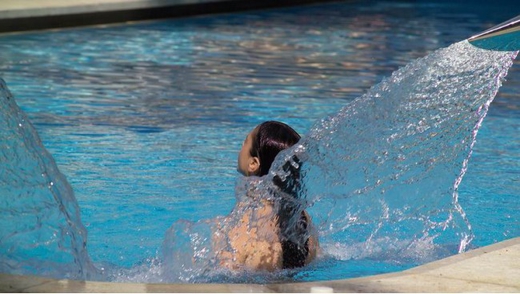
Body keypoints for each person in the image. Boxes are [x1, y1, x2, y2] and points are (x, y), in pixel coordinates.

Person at [218, 121, 318, 271]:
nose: (241, 146)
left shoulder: (247, 223)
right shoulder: (302, 219)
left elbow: (223, 274)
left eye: (245, 142)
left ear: (253, 163)